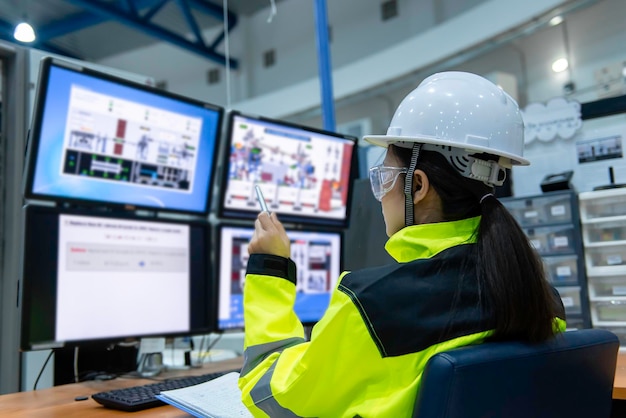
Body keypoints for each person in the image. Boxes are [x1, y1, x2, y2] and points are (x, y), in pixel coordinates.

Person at [238, 71, 567, 417]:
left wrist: (270, 270)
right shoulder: (538, 297)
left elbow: (269, 395)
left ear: (418, 186)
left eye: (384, 178)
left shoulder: (372, 306)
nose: (380, 196)